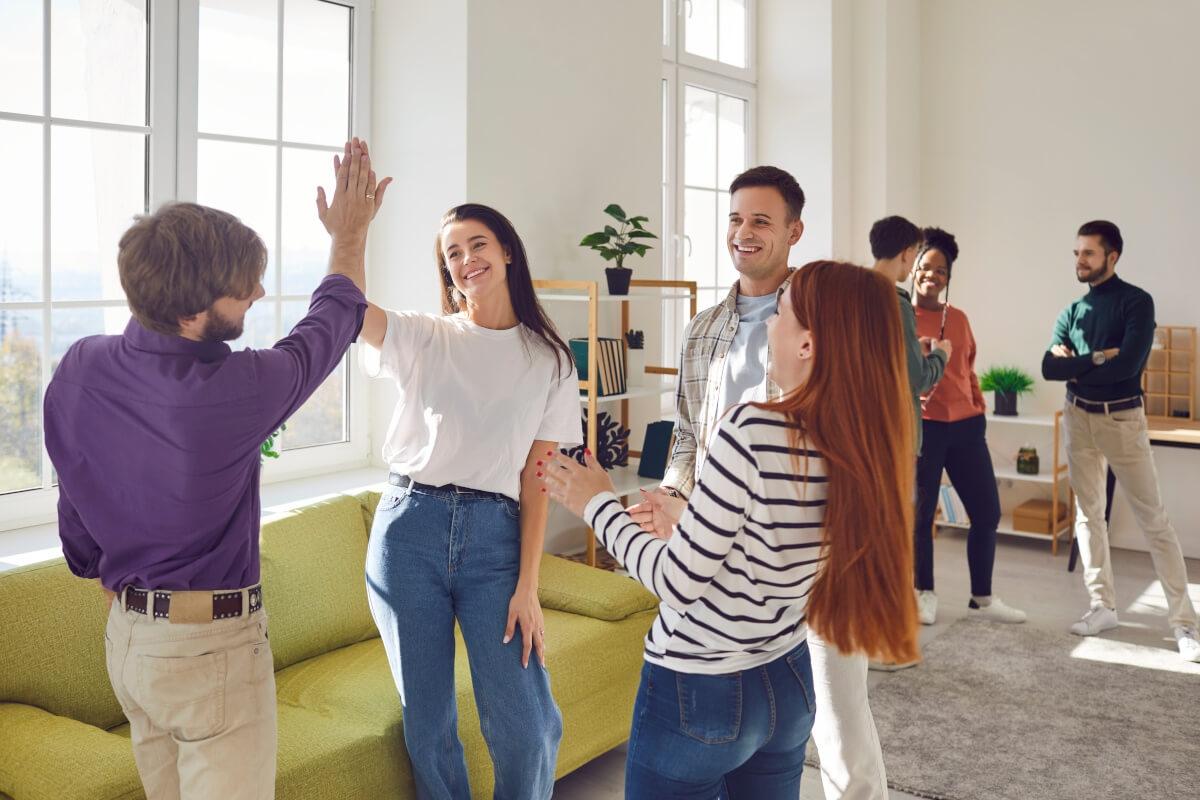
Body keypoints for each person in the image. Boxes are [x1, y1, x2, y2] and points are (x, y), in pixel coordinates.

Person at [42, 139, 389, 798]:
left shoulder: (80, 365)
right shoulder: (233, 391)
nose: (258, 293)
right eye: (242, 288)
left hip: (130, 645)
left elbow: (73, 487)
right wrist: (349, 236)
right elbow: (330, 324)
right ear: (189, 312)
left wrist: (94, 566)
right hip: (210, 655)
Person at [543, 260, 919, 800]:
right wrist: (688, 521)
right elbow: (770, 551)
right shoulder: (863, 444)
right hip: (786, 682)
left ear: (809, 345)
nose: (769, 324)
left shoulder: (753, 426)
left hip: (699, 688)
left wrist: (595, 503)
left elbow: (677, 584)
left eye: (782, 314)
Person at [626, 166, 893, 800]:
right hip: (719, 544)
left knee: (840, 720)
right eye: (735, 219)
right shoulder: (701, 333)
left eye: (761, 221)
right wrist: (675, 501)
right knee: (755, 718)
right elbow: (689, 435)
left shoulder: (826, 317)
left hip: (804, 550)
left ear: (795, 231)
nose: (744, 233)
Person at [359, 202, 582, 798]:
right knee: (428, 727)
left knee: (528, 726)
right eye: (451, 253)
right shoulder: (426, 336)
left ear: (507, 250)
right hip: (408, 532)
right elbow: (349, 314)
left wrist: (528, 585)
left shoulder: (551, 359)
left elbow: (540, 479)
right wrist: (351, 233)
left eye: (477, 244)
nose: (465, 260)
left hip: (494, 539)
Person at [1042, 220, 1199, 662]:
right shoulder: (1072, 312)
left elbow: (1128, 366)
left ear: (1112, 256)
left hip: (1123, 418)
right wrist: (1096, 358)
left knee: (1154, 520)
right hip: (1078, 418)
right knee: (1089, 516)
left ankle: (1185, 624)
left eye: (1088, 254)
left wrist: (1078, 363)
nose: (1080, 261)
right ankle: (1103, 606)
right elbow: (1048, 368)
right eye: (1077, 253)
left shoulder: (1136, 302)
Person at [910, 227, 1026, 625]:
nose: (932, 275)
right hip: (924, 429)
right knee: (921, 518)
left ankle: (983, 597)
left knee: (987, 512)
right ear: (913, 268)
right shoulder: (899, 317)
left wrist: (976, 404)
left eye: (941, 270)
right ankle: (923, 593)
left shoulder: (957, 319)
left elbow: (968, 368)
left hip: (966, 427)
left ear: (948, 277)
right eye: (926, 266)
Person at [869, 215, 952, 455]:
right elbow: (918, 379)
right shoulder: (896, 303)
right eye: (916, 255)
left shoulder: (852, 293)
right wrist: (940, 355)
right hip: (893, 435)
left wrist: (912, 348)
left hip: (861, 430)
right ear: (906, 253)